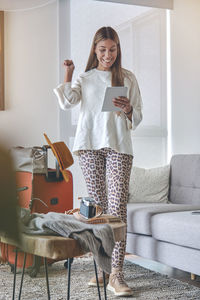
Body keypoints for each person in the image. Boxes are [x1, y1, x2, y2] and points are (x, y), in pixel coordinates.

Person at [54, 26, 142, 297]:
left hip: (118, 147)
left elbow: (137, 115)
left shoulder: (127, 77)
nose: (108, 54)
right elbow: (68, 103)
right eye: (102, 49)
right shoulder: (86, 77)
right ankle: (103, 269)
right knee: (97, 210)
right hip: (89, 146)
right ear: (94, 49)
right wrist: (68, 74)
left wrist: (128, 109)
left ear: (118, 49)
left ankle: (116, 274)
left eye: (112, 49)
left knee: (117, 209)